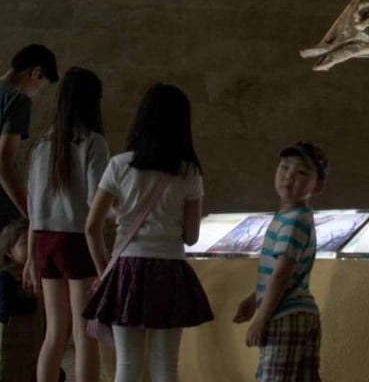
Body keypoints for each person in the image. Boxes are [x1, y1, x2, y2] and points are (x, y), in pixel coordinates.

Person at [83, 84, 213, 382]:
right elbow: (191, 237)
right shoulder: (189, 172)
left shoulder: (119, 165)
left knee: (127, 365)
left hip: (126, 268)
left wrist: (105, 271)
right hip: (170, 268)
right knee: (165, 366)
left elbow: (91, 227)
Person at [24, 67, 109, 382]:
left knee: (54, 332)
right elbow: (96, 202)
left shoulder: (42, 143)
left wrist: (31, 258)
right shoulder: (93, 142)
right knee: (84, 331)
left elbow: (33, 208)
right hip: (76, 242)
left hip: (44, 241)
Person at [233, 142, 328, 382]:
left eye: (302, 172)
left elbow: (282, 274)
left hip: (284, 317)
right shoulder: (290, 217)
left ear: (317, 186)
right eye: (285, 167)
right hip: (300, 314)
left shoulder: (294, 221)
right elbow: (279, 273)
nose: (289, 176)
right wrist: (254, 299)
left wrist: (261, 318)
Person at [0, 44, 59, 225]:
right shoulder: (17, 100)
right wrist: (30, 213)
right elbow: (3, 162)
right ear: (35, 72)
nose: (37, 93)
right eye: (40, 87)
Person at [0, 218, 51, 382]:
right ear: (9, 251)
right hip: (13, 343)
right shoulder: (6, 277)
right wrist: (35, 302)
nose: (32, 250)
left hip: (34, 341)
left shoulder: (41, 276)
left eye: (35, 245)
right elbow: (5, 309)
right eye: (24, 245)